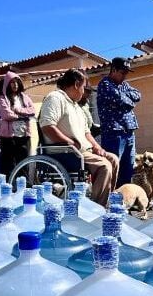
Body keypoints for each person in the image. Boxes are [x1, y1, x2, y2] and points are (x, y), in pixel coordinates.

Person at [40, 69, 119, 205]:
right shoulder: (55, 98)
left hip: (81, 151)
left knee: (113, 159)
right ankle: (97, 207)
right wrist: (69, 142)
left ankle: (106, 201)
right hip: (67, 152)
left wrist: (97, 146)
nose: (83, 92)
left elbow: (86, 132)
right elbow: (47, 126)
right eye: (83, 87)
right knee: (104, 166)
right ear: (77, 84)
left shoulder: (76, 105)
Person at [97, 57, 141, 187]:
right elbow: (120, 99)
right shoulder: (105, 84)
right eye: (123, 72)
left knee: (128, 169)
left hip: (129, 132)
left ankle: (124, 196)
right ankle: (110, 197)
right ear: (114, 70)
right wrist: (129, 100)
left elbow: (138, 95)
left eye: (126, 73)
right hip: (114, 133)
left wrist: (127, 97)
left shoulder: (124, 85)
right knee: (113, 169)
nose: (125, 76)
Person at [0, 71, 36, 176]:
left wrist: (18, 110)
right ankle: (8, 184)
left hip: (23, 136)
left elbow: (32, 110)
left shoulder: (24, 97)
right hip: (8, 138)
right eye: (12, 82)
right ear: (7, 84)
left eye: (16, 82)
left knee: (23, 163)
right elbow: (6, 114)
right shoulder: (3, 98)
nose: (15, 85)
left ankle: (23, 184)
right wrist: (22, 116)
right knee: (8, 164)